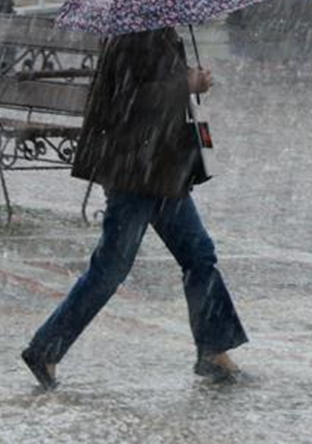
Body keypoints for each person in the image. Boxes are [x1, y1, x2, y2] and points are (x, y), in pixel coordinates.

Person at [21, 27, 247, 390]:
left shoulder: (156, 31)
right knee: (110, 269)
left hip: (161, 172)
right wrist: (185, 83)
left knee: (199, 255)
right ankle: (45, 349)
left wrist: (188, 82)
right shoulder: (133, 35)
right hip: (135, 174)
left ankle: (214, 351)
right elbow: (130, 100)